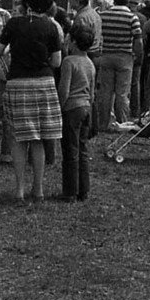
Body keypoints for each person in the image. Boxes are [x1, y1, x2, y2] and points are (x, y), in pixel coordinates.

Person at [0, 0, 63, 203]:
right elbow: (56, 60)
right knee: (38, 139)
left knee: (18, 138)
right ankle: (39, 188)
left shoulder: (14, 24)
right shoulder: (51, 27)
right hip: (43, 83)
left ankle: (19, 189)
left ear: (25, 2)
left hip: (18, 82)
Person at [57, 27, 95, 202]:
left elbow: (64, 89)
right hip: (86, 106)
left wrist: (60, 107)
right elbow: (92, 92)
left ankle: (70, 191)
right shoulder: (90, 63)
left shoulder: (69, 62)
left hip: (72, 108)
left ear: (73, 42)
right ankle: (84, 189)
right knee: (83, 149)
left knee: (70, 150)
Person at [96, 0, 143, 129]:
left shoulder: (103, 16)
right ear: (127, 1)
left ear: (114, 0)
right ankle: (121, 122)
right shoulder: (132, 18)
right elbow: (138, 41)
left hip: (106, 55)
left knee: (106, 91)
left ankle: (103, 123)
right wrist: (136, 55)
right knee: (122, 93)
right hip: (125, 57)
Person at [69, 0, 102, 69]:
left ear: (78, 1)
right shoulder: (94, 14)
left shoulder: (81, 17)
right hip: (96, 54)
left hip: (85, 55)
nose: (69, 0)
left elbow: (81, 39)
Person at [127, 0, 148, 116]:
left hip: (128, 52)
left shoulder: (127, 16)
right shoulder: (143, 18)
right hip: (139, 52)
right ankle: (135, 110)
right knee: (136, 83)